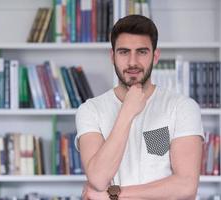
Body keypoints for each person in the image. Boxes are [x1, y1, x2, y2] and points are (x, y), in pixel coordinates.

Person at [75, 15, 204, 200]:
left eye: (142, 52)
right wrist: (127, 111)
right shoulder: (90, 110)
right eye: (124, 52)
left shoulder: (182, 108)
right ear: (112, 56)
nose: (132, 62)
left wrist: (113, 195)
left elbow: (186, 186)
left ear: (155, 56)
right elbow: (98, 179)